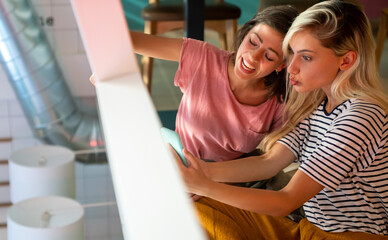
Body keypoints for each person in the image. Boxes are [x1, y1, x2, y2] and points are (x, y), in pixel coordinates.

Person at [173, 0, 388, 239]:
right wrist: (200, 171)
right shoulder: (318, 105)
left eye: (306, 57)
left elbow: (287, 200)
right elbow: (269, 162)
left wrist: (204, 185)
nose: (290, 68)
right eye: (292, 54)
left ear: (346, 61)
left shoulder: (361, 116)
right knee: (195, 209)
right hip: (310, 228)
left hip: (350, 235)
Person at [117, 5, 299, 162]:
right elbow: (127, 40)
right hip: (178, 168)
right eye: (252, 42)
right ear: (246, 32)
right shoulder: (203, 58)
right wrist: (109, 60)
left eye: (269, 56)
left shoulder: (279, 102)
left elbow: (272, 159)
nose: (253, 57)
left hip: (225, 185)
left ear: (281, 65)